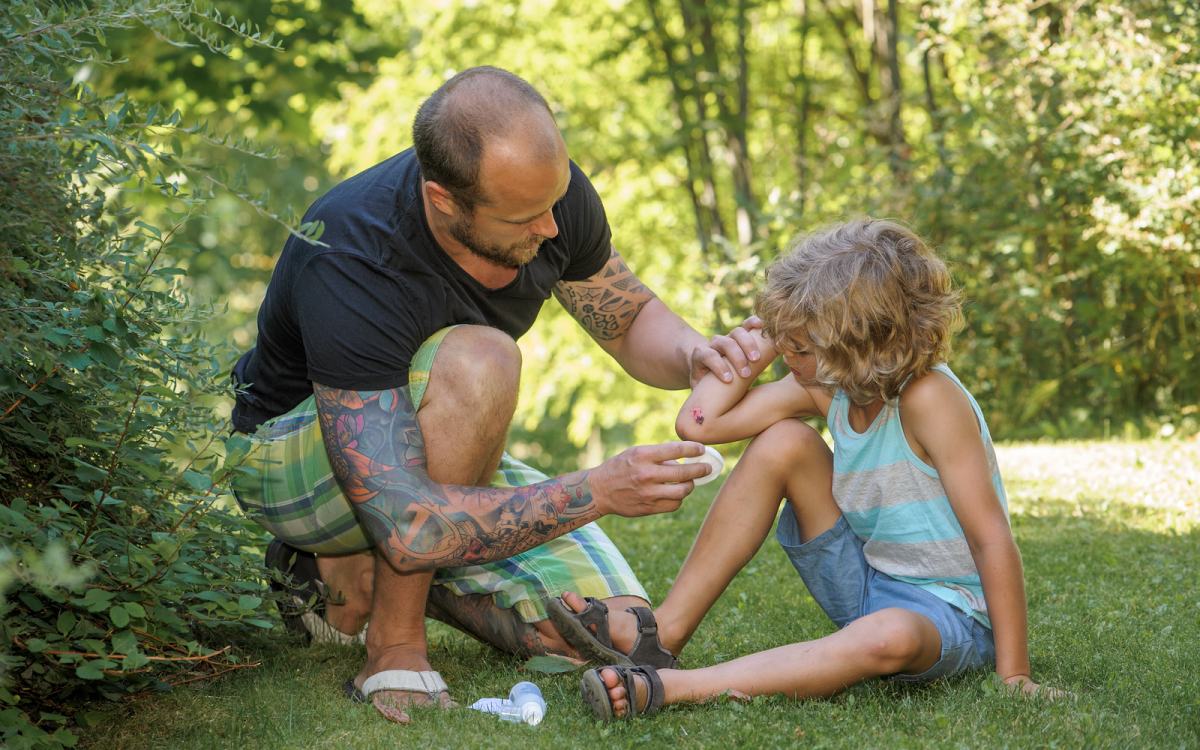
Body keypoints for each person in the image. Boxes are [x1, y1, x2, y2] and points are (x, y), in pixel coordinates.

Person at [224, 66, 762, 724]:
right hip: (296, 458)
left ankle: (343, 582)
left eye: (554, 200)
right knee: (483, 360)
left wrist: (692, 352)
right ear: (444, 200)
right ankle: (393, 644)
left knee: (616, 630)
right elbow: (407, 522)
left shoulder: (548, 195)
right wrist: (598, 490)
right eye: (525, 216)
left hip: (424, 456)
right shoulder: (355, 250)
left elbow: (623, 318)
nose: (551, 227)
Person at [550, 218, 1066, 719]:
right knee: (784, 442)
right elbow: (699, 422)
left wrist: (1014, 673)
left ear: (862, 344)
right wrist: (761, 343)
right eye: (784, 342)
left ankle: (673, 688)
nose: (786, 358)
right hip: (868, 581)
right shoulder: (827, 386)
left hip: (946, 614)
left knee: (891, 636)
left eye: (799, 347)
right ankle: (660, 634)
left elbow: (991, 538)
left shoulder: (930, 399)